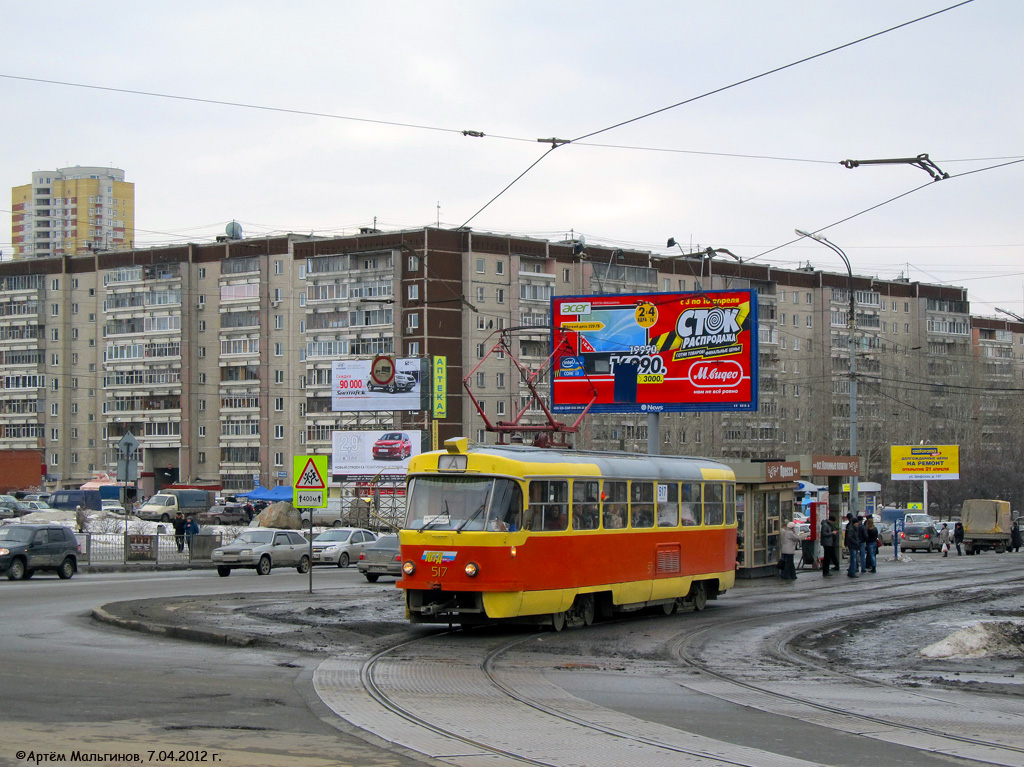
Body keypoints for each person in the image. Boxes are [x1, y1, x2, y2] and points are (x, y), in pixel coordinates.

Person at [819, 513, 838, 577]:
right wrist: (832, 533)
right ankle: (825, 571)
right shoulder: (825, 525)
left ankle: (826, 570)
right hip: (827, 543)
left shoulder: (828, 525)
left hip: (829, 543)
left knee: (828, 557)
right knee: (827, 558)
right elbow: (824, 534)